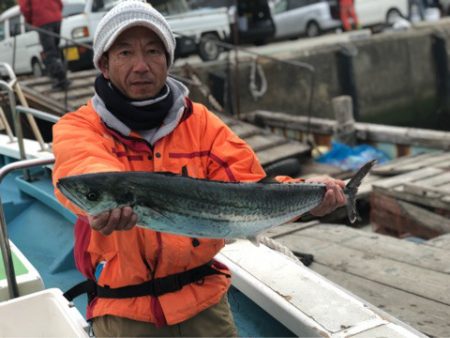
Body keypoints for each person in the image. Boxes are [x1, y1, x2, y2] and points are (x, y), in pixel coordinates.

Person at [51, 1, 347, 336]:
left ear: (168, 60)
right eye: (124, 53)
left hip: (203, 302)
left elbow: (251, 187)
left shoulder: (201, 123)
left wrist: (310, 191)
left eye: (152, 51)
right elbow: (84, 167)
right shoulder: (78, 127)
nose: (141, 66)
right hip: (124, 312)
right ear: (103, 64)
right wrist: (103, 201)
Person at [18, 0, 70, 89]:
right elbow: (60, 3)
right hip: (56, 18)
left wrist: (31, 21)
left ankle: (62, 79)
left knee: (49, 52)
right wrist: (55, 13)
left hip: (43, 20)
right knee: (55, 49)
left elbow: (24, 8)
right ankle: (58, 75)